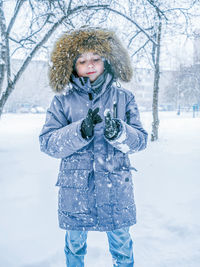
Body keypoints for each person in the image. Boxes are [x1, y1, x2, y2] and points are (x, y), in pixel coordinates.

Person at [39, 26, 148, 267]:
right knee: (75, 245)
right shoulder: (62, 101)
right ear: (71, 65)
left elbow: (140, 140)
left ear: (107, 60)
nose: (90, 65)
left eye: (96, 58)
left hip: (115, 189)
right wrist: (79, 131)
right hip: (76, 190)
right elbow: (47, 143)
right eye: (82, 60)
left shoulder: (124, 98)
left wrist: (120, 132)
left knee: (122, 244)